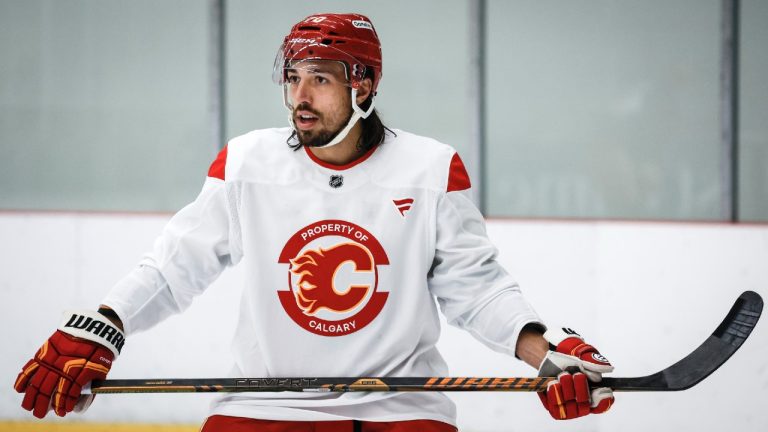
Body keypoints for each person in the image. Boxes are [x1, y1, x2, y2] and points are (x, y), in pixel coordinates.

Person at [14, 13, 615, 431]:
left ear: (365, 86)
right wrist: (103, 324)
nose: (300, 96)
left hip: (400, 413)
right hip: (262, 410)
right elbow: (175, 267)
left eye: (320, 80)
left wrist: (546, 355)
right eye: (293, 78)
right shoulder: (248, 162)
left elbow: (477, 291)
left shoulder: (431, 169)